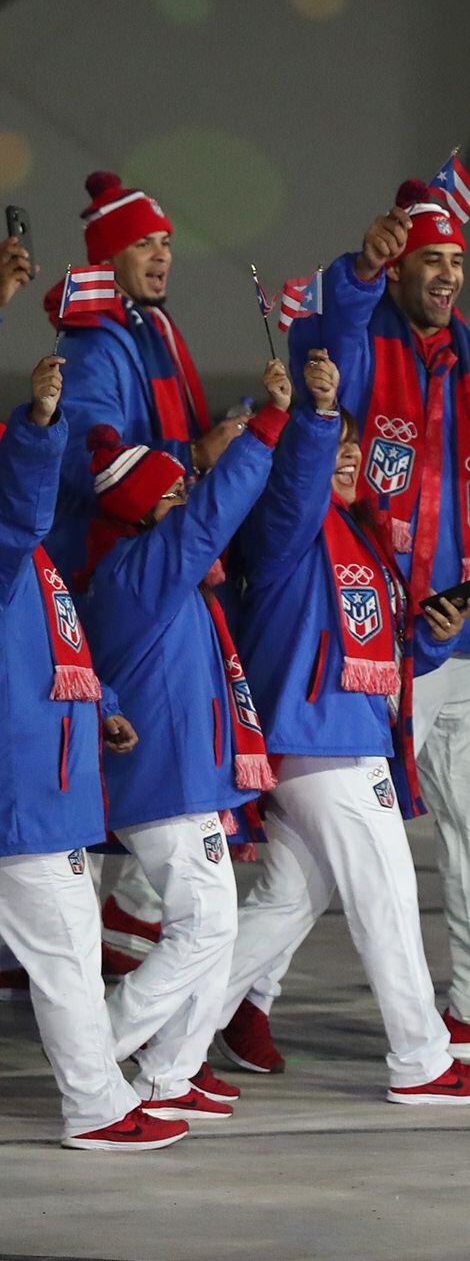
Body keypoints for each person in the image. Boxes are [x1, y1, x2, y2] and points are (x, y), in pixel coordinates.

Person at [288, 181, 470, 1063]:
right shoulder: (365, 344)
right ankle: (244, 995)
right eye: (433, 260)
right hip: (387, 645)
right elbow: (321, 341)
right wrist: (356, 273)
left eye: (459, 261)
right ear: (399, 267)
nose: (450, 276)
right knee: (317, 859)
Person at [204, 351, 470, 1105]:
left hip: (341, 734)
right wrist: (316, 413)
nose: (346, 453)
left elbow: (379, 645)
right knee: (387, 894)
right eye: (334, 442)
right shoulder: (282, 531)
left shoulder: (362, 535)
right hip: (321, 739)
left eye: (353, 443)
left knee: (283, 908)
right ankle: (421, 1058)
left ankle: (156, 1038)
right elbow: (298, 486)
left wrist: (434, 635)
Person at [82, 361, 297, 1122]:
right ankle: (96, 1051)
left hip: (184, 774)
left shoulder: (154, 571)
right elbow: (216, 512)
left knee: (215, 923)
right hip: (163, 777)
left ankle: (169, 1073)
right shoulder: (142, 567)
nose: (187, 503)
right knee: (204, 924)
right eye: (174, 494)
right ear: (144, 512)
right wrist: (269, 425)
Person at [47, 174, 239, 970]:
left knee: (111, 764)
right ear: (108, 255)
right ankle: (88, 939)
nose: (162, 256)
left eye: (166, 242)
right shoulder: (97, 346)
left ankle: (103, 925)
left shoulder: (148, 333)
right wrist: (200, 458)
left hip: (146, 567)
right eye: (144, 244)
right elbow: (93, 458)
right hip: (108, 577)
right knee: (120, 756)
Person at [0, 354, 177, 1150]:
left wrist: (101, 704)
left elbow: (55, 651)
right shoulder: (9, 552)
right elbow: (22, 510)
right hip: (23, 796)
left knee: (66, 951)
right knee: (67, 954)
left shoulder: (30, 567)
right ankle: (95, 1106)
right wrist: (39, 427)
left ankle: (99, 1095)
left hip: (44, 788)